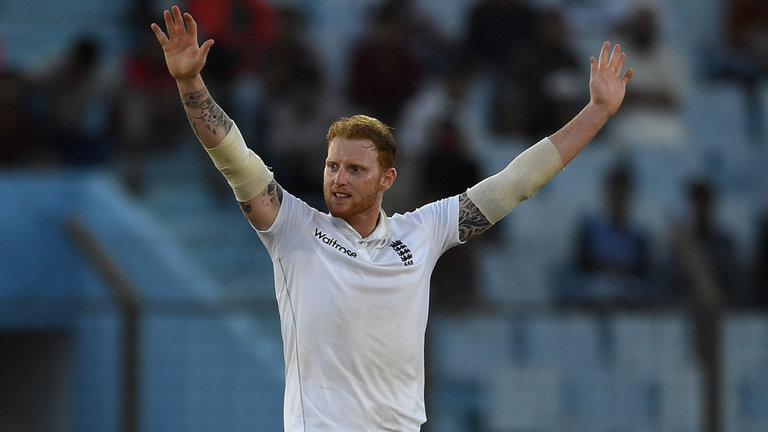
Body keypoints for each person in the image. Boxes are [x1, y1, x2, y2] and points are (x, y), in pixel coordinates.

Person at [151, 6, 632, 431]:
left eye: (355, 170)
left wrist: (596, 112)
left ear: (387, 179)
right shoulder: (294, 229)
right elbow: (236, 160)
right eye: (332, 166)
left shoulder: (423, 231)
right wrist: (190, 82)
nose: (339, 179)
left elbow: (515, 184)